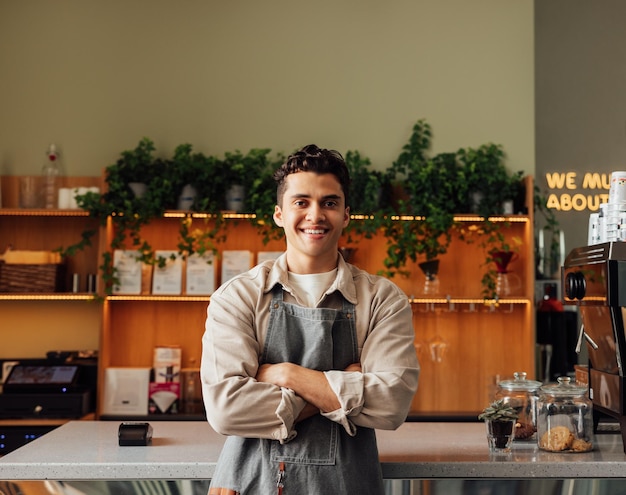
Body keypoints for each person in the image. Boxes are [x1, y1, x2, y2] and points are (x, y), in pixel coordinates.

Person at [201, 144, 420, 494]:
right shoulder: (238, 297)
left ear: (346, 214)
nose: (315, 215)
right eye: (301, 202)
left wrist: (287, 375)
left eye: (329, 203)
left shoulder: (382, 299)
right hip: (248, 483)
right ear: (279, 214)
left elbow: (391, 405)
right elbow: (226, 410)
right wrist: (340, 386)